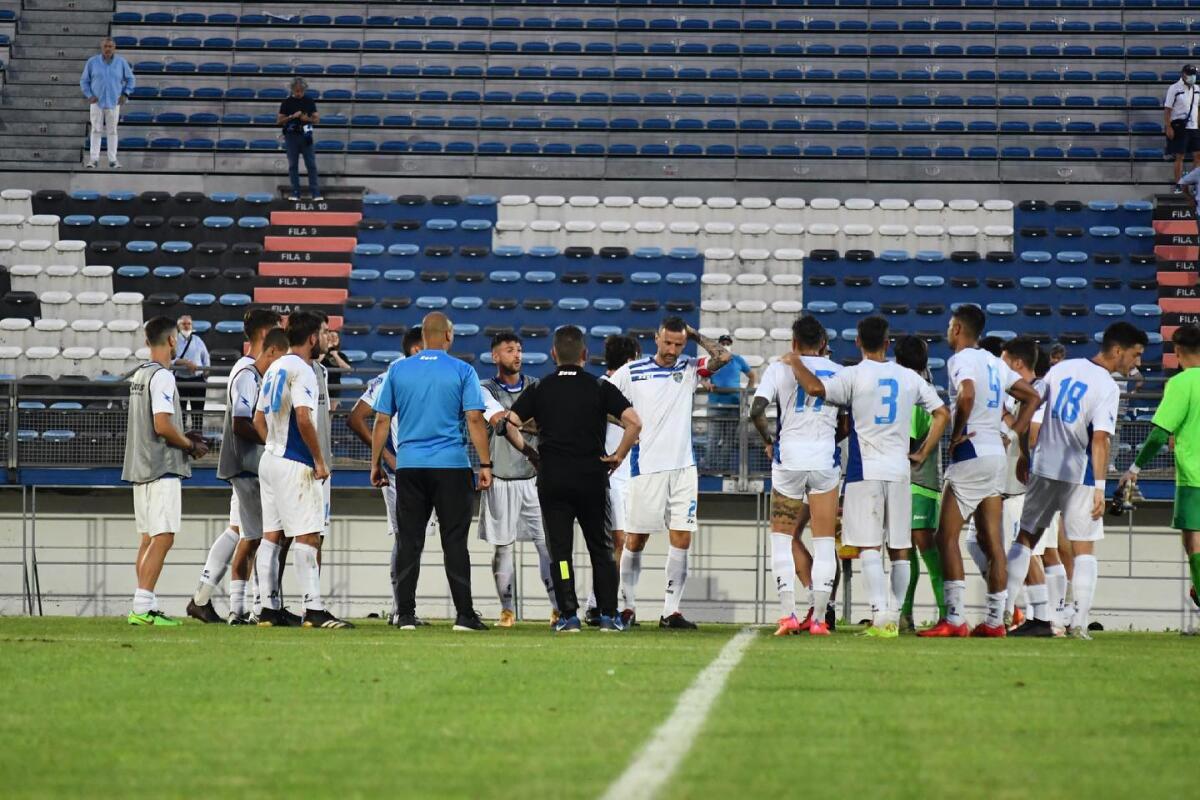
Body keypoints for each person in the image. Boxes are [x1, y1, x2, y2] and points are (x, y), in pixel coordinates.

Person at [789, 315, 949, 638]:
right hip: (901, 471)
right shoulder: (908, 378)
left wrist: (795, 360)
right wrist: (922, 451)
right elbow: (943, 413)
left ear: (859, 341)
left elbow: (815, 388)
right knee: (900, 548)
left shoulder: (853, 375)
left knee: (870, 547)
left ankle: (881, 617)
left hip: (866, 472)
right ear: (888, 344)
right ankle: (893, 612)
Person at [1005, 322, 1147, 638]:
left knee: (1026, 538)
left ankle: (1000, 614)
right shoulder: (1107, 387)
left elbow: (1034, 414)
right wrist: (1100, 487)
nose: (1136, 363)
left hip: (1044, 466)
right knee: (1083, 548)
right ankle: (1079, 623)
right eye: (1135, 355)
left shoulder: (1061, 369)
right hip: (1078, 473)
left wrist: (1026, 457)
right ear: (1119, 350)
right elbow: (1100, 440)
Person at [501, 326, 643, 633]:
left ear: (553, 355)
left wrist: (530, 453)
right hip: (592, 478)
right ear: (585, 355)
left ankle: (568, 616)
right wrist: (618, 454)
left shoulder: (540, 389)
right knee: (601, 550)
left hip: (553, 479)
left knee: (561, 552)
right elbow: (634, 422)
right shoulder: (600, 386)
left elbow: (508, 424)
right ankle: (607, 615)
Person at [920, 305, 1040, 638]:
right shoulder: (995, 362)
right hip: (995, 455)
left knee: (945, 536)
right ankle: (993, 622)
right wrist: (1013, 431)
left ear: (957, 328)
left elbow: (967, 394)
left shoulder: (960, 360)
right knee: (993, 543)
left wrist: (957, 432)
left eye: (949, 326)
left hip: (971, 453)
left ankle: (955, 619)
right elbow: (1032, 396)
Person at [369, 312, 493, 632]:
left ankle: (405, 614)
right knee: (455, 542)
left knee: (409, 541)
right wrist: (485, 464)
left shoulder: (398, 370)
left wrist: (375, 464)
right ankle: (464, 615)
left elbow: (381, 421)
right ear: (448, 336)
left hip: (410, 466)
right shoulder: (462, 370)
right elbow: (475, 419)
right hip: (451, 466)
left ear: (423, 336)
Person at [610, 317, 732, 630]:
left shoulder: (689, 368)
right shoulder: (631, 372)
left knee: (682, 538)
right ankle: (627, 607)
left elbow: (724, 357)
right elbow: (603, 401)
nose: (672, 350)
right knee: (635, 540)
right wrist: (626, 426)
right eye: (668, 343)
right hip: (646, 467)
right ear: (656, 338)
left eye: (679, 344)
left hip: (683, 469)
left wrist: (694, 334)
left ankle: (670, 611)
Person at [252, 311, 351, 629]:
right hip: (295, 461)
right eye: (323, 332)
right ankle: (314, 609)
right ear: (312, 338)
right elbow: (305, 418)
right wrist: (319, 460)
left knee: (271, 537)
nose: (325, 337)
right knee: (308, 536)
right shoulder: (304, 369)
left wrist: (276, 449)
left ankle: (267, 608)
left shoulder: (274, 367)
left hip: (270, 459)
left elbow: (258, 419)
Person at [185, 309, 283, 624]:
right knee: (254, 534)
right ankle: (250, 607)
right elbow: (241, 422)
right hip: (246, 463)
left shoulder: (252, 370)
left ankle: (219, 603)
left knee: (240, 531)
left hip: (247, 463)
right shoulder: (246, 372)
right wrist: (271, 443)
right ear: (265, 333)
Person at [749, 315, 843, 637]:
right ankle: (818, 619)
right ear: (823, 344)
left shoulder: (779, 368)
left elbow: (756, 410)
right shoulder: (840, 371)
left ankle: (788, 615)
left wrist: (768, 440)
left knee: (782, 538)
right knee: (825, 542)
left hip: (788, 460)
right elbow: (847, 419)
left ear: (793, 343)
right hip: (824, 462)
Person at [122, 316, 209, 625]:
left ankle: (146, 605)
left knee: (148, 539)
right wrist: (188, 444)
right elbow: (162, 425)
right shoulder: (163, 377)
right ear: (172, 341)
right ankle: (142, 607)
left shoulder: (139, 375)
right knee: (163, 537)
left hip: (139, 467)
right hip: (161, 467)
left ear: (147, 342)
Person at [347, 328, 432, 625]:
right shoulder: (391, 376)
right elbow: (355, 417)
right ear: (416, 349)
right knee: (406, 540)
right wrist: (384, 456)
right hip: (401, 473)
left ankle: (403, 608)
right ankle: (401, 609)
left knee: (412, 541)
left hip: (421, 470)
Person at [478, 333, 559, 627]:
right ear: (495, 356)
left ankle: (557, 608)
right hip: (501, 476)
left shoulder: (535, 386)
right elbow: (500, 421)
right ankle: (507, 611)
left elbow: (532, 421)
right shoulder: (484, 388)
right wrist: (528, 421)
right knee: (503, 547)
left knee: (546, 545)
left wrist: (519, 421)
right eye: (510, 350)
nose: (517, 355)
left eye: (520, 350)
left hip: (534, 478)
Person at [1122, 324, 1200, 619]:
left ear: (1177, 351)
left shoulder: (1181, 384)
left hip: (1194, 476)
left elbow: (1157, 434)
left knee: (1194, 543)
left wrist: (1134, 467)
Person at [584, 334, 641, 626]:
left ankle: (612, 604)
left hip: (630, 472)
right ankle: (598, 604)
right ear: (632, 358)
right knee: (615, 541)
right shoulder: (605, 388)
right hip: (612, 473)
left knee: (625, 542)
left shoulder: (623, 387)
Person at [895, 336, 947, 631]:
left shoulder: (914, 391)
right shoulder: (923, 387)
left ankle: (947, 612)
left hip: (919, 480)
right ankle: (906, 615)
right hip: (917, 481)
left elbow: (911, 440)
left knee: (924, 546)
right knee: (908, 548)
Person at [994, 336, 1045, 629]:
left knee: (1024, 549)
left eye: (1004, 361)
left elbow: (1033, 434)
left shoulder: (1037, 391)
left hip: (1027, 485)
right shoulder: (1022, 393)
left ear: (1017, 363)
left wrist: (1007, 420)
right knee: (1031, 552)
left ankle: (1007, 613)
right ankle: (1043, 616)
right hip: (1017, 483)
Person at [79, 37, 135, 169]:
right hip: (96, 102)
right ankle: (93, 159)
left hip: (114, 101)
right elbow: (84, 81)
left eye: (110, 46)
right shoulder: (92, 62)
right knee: (96, 130)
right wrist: (89, 94)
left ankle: (113, 159)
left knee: (112, 131)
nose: (108, 49)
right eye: (105, 46)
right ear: (101, 47)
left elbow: (131, 79)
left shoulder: (121, 62)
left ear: (114, 48)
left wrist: (125, 94)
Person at [706, 334, 756, 470]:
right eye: (723, 342)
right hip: (715, 405)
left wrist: (746, 393)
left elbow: (752, 376)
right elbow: (701, 376)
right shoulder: (712, 360)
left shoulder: (738, 360)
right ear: (718, 344)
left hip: (734, 405)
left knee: (728, 440)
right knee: (712, 439)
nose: (726, 345)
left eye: (728, 343)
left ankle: (723, 468)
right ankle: (709, 468)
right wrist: (706, 384)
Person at [278, 77, 322, 201]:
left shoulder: (309, 101)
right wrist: (292, 116)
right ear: (292, 90)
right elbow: (279, 121)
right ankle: (295, 192)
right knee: (293, 165)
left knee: (311, 165)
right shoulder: (286, 102)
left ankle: (315, 193)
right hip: (291, 135)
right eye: (297, 90)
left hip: (306, 133)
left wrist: (306, 119)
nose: (299, 93)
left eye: (301, 90)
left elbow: (317, 120)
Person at [172, 315, 210, 431]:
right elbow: (168, 359)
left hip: (197, 380)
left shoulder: (198, 340)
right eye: (184, 324)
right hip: (180, 380)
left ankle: (198, 436)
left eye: (189, 324)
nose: (187, 326)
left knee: (198, 412)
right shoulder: (173, 341)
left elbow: (206, 357)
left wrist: (206, 372)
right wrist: (182, 362)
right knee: (180, 412)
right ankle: (181, 438)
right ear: (178, 326)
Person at [1165, 64, 1200, 187]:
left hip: (1194, 127)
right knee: (1180, 156)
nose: (1192, 77)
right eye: (1190, 74)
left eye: (1194, 74)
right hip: (1180, 126)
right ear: (1183, 74)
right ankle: (1179, 184)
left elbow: (1197, 108)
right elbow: (1168, 109)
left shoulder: (1197, 88)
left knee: (1198, 155)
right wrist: (1168, 126)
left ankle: (1195, 183)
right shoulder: (1174, 88)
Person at [321, 329, 351, 402]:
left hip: (335, 386)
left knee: (332, 412)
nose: (334, 339)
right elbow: (316, 361)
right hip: (320, 385)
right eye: (331, 336)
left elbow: (348, 370)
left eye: (336, 337)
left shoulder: (341, 355)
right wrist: (326, 348)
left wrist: (335, 355)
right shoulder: (320, 353)